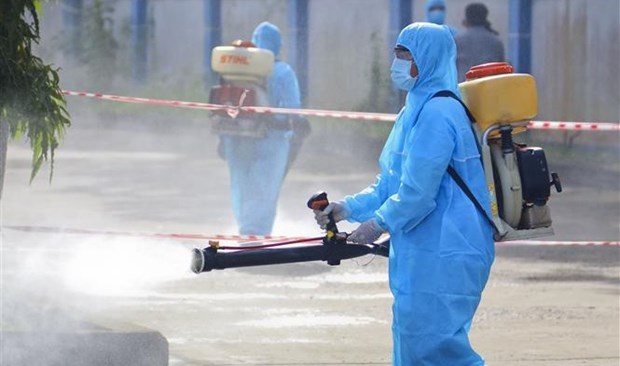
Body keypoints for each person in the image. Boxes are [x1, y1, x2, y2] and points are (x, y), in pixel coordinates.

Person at [314, 23, 494, 365]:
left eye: (405, 54)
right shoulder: (414, 109)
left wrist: (377, 223)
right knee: (414, 344)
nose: (397, 62)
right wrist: (346, 208)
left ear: (427, 59)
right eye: (396, 52)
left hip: (448, 249)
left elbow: (417, 194)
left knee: (438, 350)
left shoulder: (440, 113)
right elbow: (390, 183)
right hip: (422, 249)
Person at [220, 21, 308, 235]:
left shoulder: (235, 69)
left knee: (241, 185)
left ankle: (244, 229)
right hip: (272, 139)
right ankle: (256, 235)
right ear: (278, 45)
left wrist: (223, 140)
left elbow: (224, 107)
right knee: (264, 188)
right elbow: (293, 111)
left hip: (236, 136)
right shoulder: (283, 71)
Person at [455, 3, 505, 82]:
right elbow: (502, 71)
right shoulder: (496, 42)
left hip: (464, 89)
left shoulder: (457, 41)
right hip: (489, 89)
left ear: (467, 20)